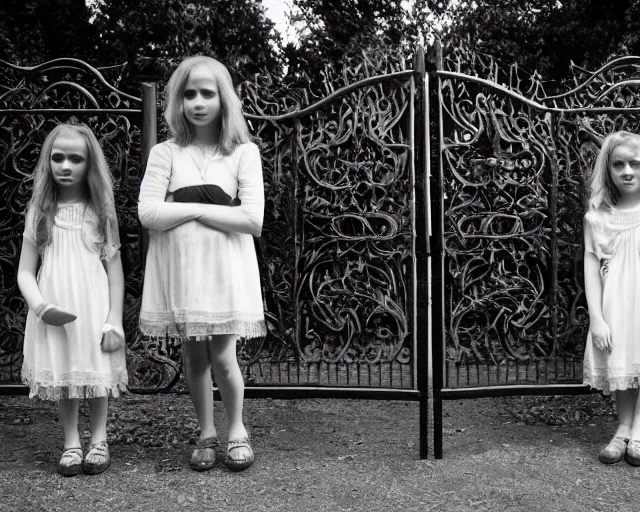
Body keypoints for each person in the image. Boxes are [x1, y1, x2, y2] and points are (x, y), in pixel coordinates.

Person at [138, 55, 265, 472]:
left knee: (225, 359)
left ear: (223, 98)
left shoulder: (243, 153)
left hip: (226, 271)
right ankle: (206, 432)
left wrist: (186, 204)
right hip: (184, 273)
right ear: (178, 100)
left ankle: (237, 431)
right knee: (194, 359)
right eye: (189, 93)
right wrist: (213, 202)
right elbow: (149, 215)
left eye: (207, 93)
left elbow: (252, 220)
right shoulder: (165, 153)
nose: (198, 102)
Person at [17, 122, 127, 477]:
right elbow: (24, 271)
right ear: (48, 162)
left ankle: (98, 439)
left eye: (76, 159)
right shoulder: (39, 211)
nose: (66, 166)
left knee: (94, 373)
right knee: (66, 375)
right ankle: (70, 443)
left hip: (93, 307)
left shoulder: (101, 211)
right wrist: (41, 307)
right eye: (58, 158)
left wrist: (114, 319)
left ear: (89, 164)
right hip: (55, 308)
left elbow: (114, 271)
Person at [584, 130, 640, 465]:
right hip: (618, 304)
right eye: (619, 164)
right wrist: (597, 318)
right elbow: (591, 270)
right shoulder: (598, 218)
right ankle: (622, 429)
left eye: (635, 163)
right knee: (624, 365)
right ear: (609, 170)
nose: (628, 171)